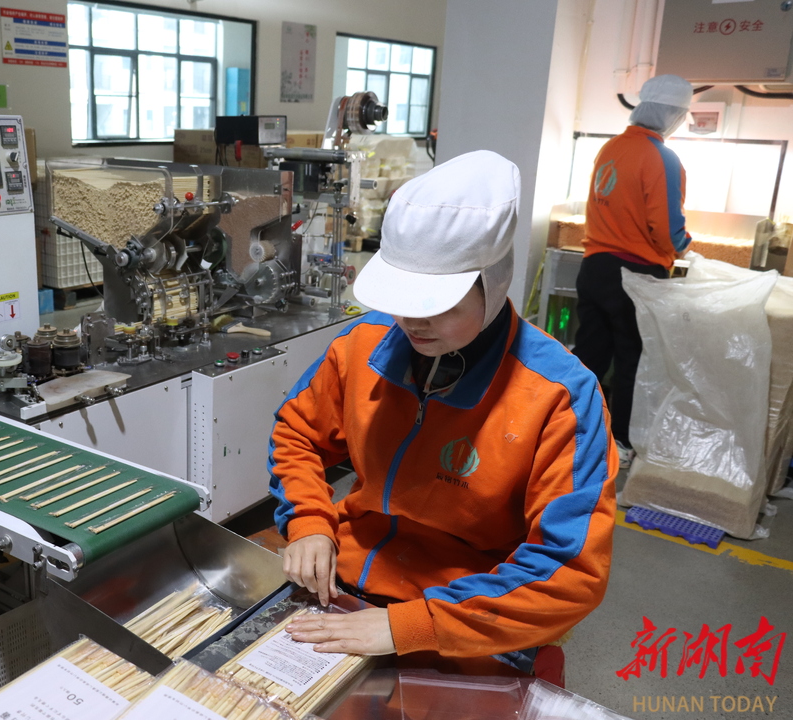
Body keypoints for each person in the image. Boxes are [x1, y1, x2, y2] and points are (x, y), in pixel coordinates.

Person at [267, 150, 617, 681]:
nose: (413, 322)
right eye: (402, 300)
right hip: (347, 574)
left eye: (439, 306)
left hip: (469, 608)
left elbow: (569, 569)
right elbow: (298, 432)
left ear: (494, 284)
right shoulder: (364, 345)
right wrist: (309, 521)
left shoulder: (559, 396)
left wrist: (413, 625)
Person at [575, 74, 694, 466]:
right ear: (674, 114)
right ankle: (621, 443)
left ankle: (570, 432)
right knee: (632, 361)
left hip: (594, 267)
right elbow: (668, 229)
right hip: (636, 275)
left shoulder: (611, 148)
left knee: (589, 356)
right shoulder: (662, 158)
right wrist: (685, 246)